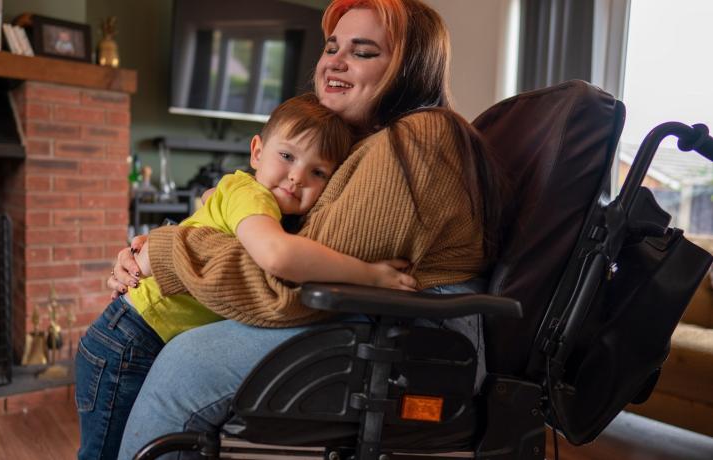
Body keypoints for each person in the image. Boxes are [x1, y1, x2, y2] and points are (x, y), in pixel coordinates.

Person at [112, 0, 507, 458]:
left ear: (408, 69)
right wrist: (157, 249)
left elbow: (286, 284)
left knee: (185, 365)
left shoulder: (417, 141)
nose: (333, 62)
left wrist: (166, 254)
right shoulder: (365, 146)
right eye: (331, 46)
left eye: (362, 52)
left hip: (412, 341)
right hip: (374, 318)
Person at [75, 93, 417, 460]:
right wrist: (370, 275)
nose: (296, 177)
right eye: (286, 156)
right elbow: (277, 255)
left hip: (138, 336)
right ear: (257, 152)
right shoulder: (252, 196)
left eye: (317, 172)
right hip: (131, 341)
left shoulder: (255, 201)